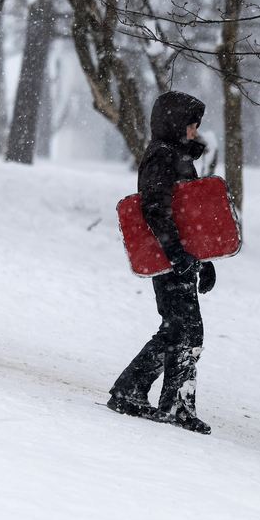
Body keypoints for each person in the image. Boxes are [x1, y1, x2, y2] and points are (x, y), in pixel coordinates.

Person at [107, 91, 216, 435]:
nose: (195, 133)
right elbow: (155, 209)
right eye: (191, 126)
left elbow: (190, 217)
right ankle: (173, 406)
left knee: (177, 330)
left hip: (179, 257)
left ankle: (134, 391)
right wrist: (178, 255)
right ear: (175, 124)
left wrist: (204, 259)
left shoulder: (178, 157)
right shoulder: (162, 157)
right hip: (167, 257)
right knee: (187, 331)